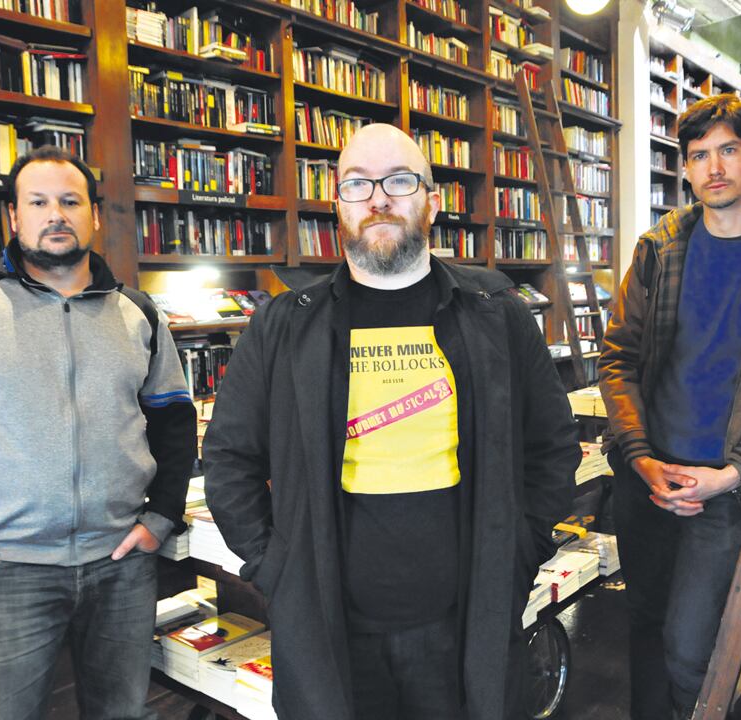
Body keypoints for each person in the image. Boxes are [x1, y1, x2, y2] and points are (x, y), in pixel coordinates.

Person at [202, 123, 580, 720]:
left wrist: (519, 552)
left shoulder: (495, 314)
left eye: (399, 180)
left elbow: (553, 446)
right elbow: (229, 460)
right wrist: (276, 569)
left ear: (432, 199)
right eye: (357, 183)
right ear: (337, 204)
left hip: (464, 624)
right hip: (330, 630)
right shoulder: (283, 325)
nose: (377, 197)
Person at [0, 146, 196, 720]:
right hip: (7, 568)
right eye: (37, 202)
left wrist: (159, 518)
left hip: (121, 563)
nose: (54, 214)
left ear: (92, 215)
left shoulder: (137, 311)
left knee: (122, 713)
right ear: (14, 216)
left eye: (69, 201)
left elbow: (174, 422)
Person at [598, 94, 741, 720]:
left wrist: (735, 472)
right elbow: (617, 357)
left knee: (692, 651)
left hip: (724, 487)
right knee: (642, 624)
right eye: (699, 155)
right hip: (648, 478)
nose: (714, 167)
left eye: (728, 150)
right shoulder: (660, 248)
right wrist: (640, 459)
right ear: (687, 168)